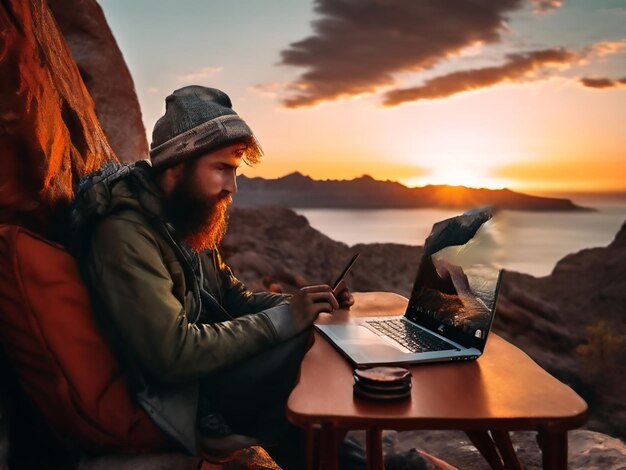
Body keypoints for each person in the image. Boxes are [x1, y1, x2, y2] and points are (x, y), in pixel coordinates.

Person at [70, 85, 355, 469]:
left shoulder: (185, 216)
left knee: (316, 337)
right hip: (179, 398)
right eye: (222, 169)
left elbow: (234, 299)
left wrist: (305, 303)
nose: (232, 188)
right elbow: (173, 354)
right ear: (176, 166)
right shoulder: (123, 234)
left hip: (211, 378)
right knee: (303, 347)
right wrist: (288, 320)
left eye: (234, 171)